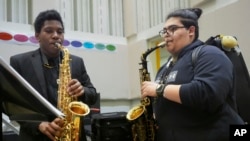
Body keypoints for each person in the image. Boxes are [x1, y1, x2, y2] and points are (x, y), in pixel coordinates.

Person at [141, 8, 244, 141]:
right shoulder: (165, 67)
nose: (166, 34)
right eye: (164, 31)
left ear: (191, 31)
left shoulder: (209, 54)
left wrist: (159, 89)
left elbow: (207, 94)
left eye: (172, 29)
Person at [10, 9, 98, 141]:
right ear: (37, 35)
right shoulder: (20, 62)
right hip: (37, 136)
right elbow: (12, 104)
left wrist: (82, 91)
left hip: (73, 135)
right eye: (49, 31)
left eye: (60, 31)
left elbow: (92, 94)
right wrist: (38, 125)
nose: (56, 35)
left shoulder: (76, 62)